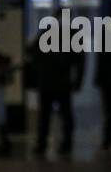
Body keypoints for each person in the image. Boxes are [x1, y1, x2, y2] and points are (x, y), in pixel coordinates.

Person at [28, 12, 85, 157]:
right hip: (62, 81)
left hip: (48, 81)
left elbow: (32, 52)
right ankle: (66, 143)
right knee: (65, 114)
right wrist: (78, 81)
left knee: (45, 115)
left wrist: (38, 72)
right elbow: (80, 61)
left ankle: (42, 144)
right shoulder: (72, 35)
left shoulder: (47, 33)